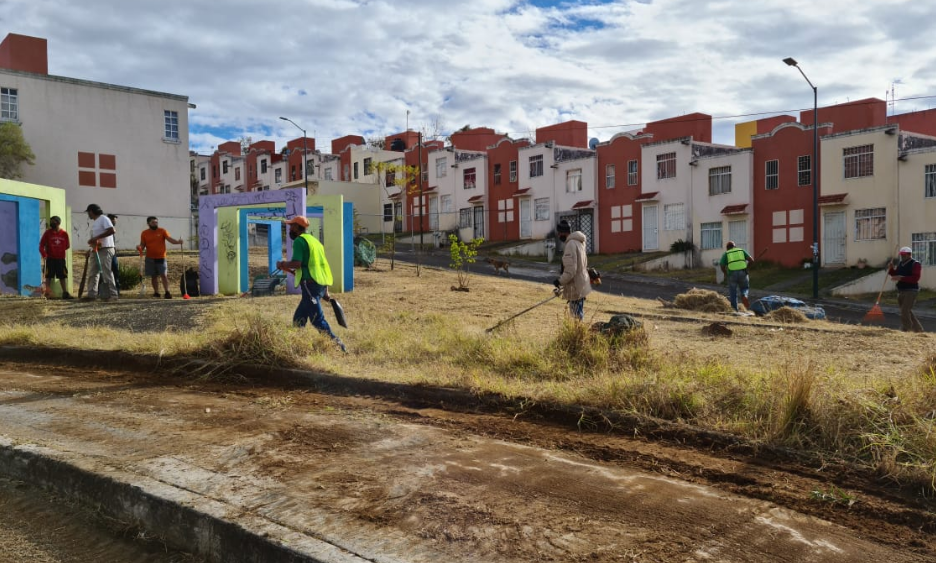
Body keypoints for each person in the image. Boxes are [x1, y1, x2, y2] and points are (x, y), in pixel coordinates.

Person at [276, 216, 346, 352]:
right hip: (319, 284)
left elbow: (297, 264)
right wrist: (325, 290)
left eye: (291, 226)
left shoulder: (299, 241)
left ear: (297, 227)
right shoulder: (315, 242)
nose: (289, 229)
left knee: (317, 319)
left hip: (310, 286)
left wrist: (282, 263)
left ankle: (339, 347)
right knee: (299, 318)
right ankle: (296, 346)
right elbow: (321, 266)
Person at [552, 220, 591, 321]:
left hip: (575, 286)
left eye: (559, 233)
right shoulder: (579, 242)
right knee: (579, 315)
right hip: (581, 284)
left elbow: (570, 271)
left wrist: (559, 281)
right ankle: (580, 331)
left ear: (564, 232)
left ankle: (578, 331)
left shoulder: (570, 245)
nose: (558, 235)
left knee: (576, 318)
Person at [137, 216, 183, 299]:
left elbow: (170, 239)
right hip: (150, 258)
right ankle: (156, 292)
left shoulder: (162, 231)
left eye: (156, 222)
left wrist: (178, 242)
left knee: (164, 275)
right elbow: (142, 244)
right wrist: (139, 247)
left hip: (161, 257)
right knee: (153, 276)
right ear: (148, 224)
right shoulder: (144, 233)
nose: (155, 224)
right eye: (153, 222)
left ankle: (167, 292)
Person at [84, 203, 119, 301]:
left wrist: (96, 238)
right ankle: (92, 295)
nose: (88, 214)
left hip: (105, 249)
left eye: (88, 212)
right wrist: (91, 249)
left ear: (91, 211)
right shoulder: (96, 222)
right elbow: (95, 238)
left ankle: (112, 294)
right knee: (93, 273)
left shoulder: (103, 219)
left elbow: (112, 230)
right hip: (96, 249)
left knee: (106, 272)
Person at [888, 246, 925, 333]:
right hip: (901, 290)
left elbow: (915, 278)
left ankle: (906, 328)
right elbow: (895, 274)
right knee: (906, 311)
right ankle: (918, 329)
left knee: (905, 310)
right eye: (901, 255)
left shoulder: (915, 264)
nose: (902, 256)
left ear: (909, 254)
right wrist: (891, 269)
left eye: (904, 255)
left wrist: (901, 278)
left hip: (911, 290)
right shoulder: (901, 264)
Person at [39, 215, 72, 299]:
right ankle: (47, 294)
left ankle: (65, 293)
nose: (51, 223)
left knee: (62, 276)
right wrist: (44, 255)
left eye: (53, 222)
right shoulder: (47, 233)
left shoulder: (64, 234)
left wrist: (59, 250)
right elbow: (41, 246)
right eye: (51, 222)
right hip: (50, 259)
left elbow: (67, 246)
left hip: (60, 259)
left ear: (58, 223)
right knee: (48, 276)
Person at [720, 241, 754, 312]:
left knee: (733, 292)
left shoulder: (726, 253)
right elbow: (751, 260)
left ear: (727, 248)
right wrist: (747, 268)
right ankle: (744, 295)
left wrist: (725, 273)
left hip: (732, 274)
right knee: (744, 288)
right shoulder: (741, 250)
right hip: (743, 272)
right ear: (735, 246)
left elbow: (722, 265)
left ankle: (735, 310)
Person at [106, 214, 120, 296]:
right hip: (106, 252)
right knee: (106, 271)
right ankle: (106, 291)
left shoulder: (112, 229)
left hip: (113, 253)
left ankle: (116, 291)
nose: (115, 221)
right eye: (114, 220)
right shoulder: (106, 230)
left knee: (115, 271)